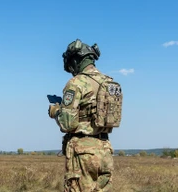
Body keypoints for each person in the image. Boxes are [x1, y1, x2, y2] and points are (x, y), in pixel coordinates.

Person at [48, 39, 123, 191]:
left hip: (83, 153)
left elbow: (68, 124)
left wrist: (55, 111)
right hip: (105, 150)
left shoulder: (76, 82)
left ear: (76, 60)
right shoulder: (108, 82)